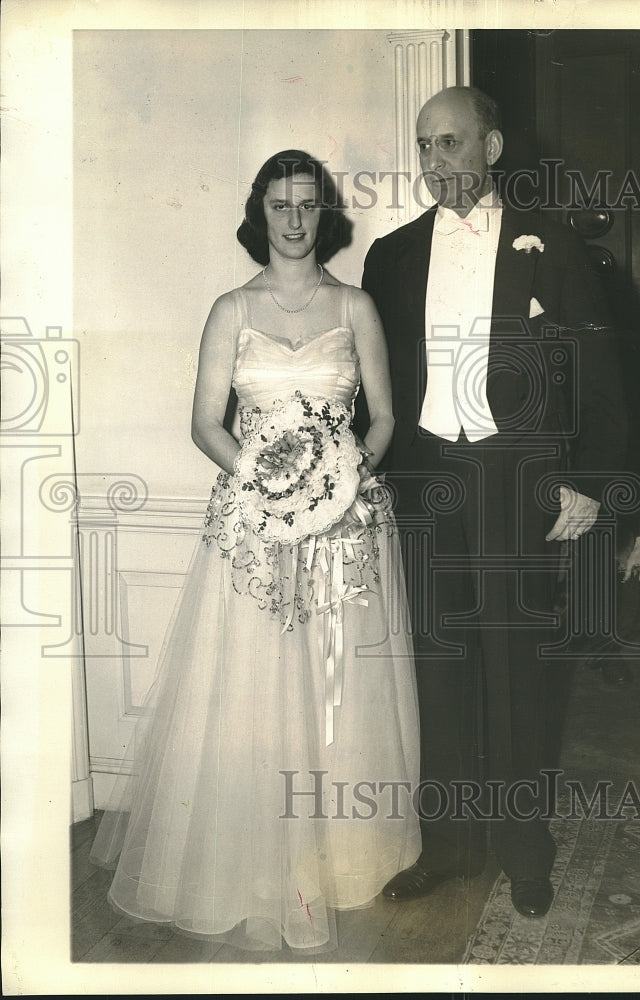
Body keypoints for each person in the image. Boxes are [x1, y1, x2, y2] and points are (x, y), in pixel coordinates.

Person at [90, 150, 421, 953]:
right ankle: (251, 863)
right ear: (260, 214)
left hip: (345, 531)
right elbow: (205, 422)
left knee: (338, 692)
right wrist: (271, 482)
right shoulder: (231, 309)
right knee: (253, 695)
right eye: (281, 205)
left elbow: (383, 418)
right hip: (253, 531)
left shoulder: (357, 308)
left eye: (308, 204)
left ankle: (339, 863)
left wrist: (340, 482)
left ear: (325, 213)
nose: (296, 219)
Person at [361, 87, 628, 917]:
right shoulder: (392, 254)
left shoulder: (550, 244)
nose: (437, 162)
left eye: (451, 143)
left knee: (514, 667)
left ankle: (523, 849)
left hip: (514, 478)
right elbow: (372, 384)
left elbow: (601, 369)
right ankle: (447, 843)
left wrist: (589, 478)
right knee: (440, 665)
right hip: (425, 478)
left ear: (494, 145)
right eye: (425, 146)